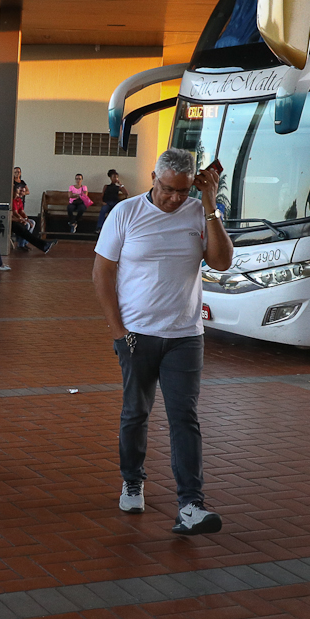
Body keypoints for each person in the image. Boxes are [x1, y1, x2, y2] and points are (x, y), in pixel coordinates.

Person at [92, 148, 235, 536]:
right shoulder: (126, 213)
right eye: (167, 188)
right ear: (154, 177)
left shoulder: (198, 212)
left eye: (183, 190)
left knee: (183, 419)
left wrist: (208, 204)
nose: (174, 198)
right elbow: (102, 272)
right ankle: (133, 481)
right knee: (135, 413)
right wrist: (118, 332)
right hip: (137, 335)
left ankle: (191, 504)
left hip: (185, 337)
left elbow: (221, 262)